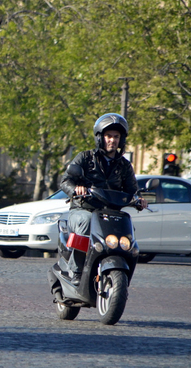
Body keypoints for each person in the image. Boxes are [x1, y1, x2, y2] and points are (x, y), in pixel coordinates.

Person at [60, 113, 147, 286]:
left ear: (121, 140)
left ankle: (122, 274)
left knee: (127, 231)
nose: (112, 140)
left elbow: (132, 190)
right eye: (109, 136)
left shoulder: (124, 165)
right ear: (100, 137)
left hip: (110, 213)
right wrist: (76, 189)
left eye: (116, 137)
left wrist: (139, 199)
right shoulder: (85, 158)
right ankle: (76, 271)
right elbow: (65, 181)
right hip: (83, 208)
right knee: (85, 222)